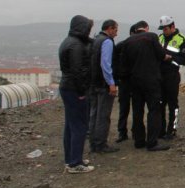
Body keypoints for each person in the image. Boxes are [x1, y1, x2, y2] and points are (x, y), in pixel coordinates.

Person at [119, 21, 170, 151]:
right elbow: (160, 54)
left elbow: (124, 65)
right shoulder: (152, 37)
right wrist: (166, 57)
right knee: (154, 110)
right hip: (151, 80)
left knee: (137, 111)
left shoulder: (128, 42)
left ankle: (139, 140)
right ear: (146, 28)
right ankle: (152, 142)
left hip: (135, 81)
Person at [58, 15, 95, 173]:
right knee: (79, 125)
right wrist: (81, 91)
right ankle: (75, 163)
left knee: (70, 125)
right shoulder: (77, 46)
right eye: (88, 28)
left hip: (67, 87)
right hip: (75, 89)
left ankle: (71, 158)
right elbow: (77, 71)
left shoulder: (68, 41)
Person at [89, 19, 120, 153]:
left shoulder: (95, 40)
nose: (116, 33)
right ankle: (101, 144)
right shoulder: (107, 42)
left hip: (94, 83)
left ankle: (93, 143)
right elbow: (105, 64)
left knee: (94, 114)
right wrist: (111, 83)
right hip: (103, 84)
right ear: (110, 28)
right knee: (103, 115)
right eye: (115, 30)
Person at [157, 16, 185, 139]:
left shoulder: (182, 40)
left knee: (172, 104)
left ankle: (172, 130)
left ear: (172, 27)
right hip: (159, 75)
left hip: (171, 75)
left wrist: (170, 58)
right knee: (160, 104)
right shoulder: (159, 38)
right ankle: (160, 130)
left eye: (165, 29)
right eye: (162, 29)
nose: (163, 31)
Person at [114, 23, 138, 143]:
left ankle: (125, 132)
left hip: (127, 81)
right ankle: (125, 132)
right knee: (127, 108)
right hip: (127, 80)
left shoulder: (121, 45)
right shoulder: (123, 46)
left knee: (127, 108)